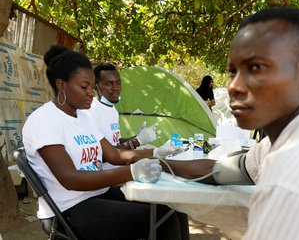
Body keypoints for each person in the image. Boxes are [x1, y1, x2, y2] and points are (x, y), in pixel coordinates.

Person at [134, 7, 299, 239]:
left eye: (258, 68)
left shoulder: (298, 181)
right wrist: (162, 163)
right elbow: (220, 171)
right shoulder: (286, 142)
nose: (236, 86)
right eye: (233, 71)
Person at [22, 45, 189, 240]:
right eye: (84, 87)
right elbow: (70, 178)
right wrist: (132, 172)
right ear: (61, 85)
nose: (91, 93)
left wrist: (155, 153)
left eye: (91, 87)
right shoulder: (44, 120)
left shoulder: (85, 118)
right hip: (69, 208)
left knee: (174, 207)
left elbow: (113, 155)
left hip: (96, 194)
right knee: (161, 220)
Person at [89, 63, 159, 151]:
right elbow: (101, 153)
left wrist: (137, 137)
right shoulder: (92, 110)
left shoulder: (112, 110)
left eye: (118, 83)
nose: (115, 88)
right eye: (108, 83)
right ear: (95, 86)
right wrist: (136, 141)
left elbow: (116, 142)